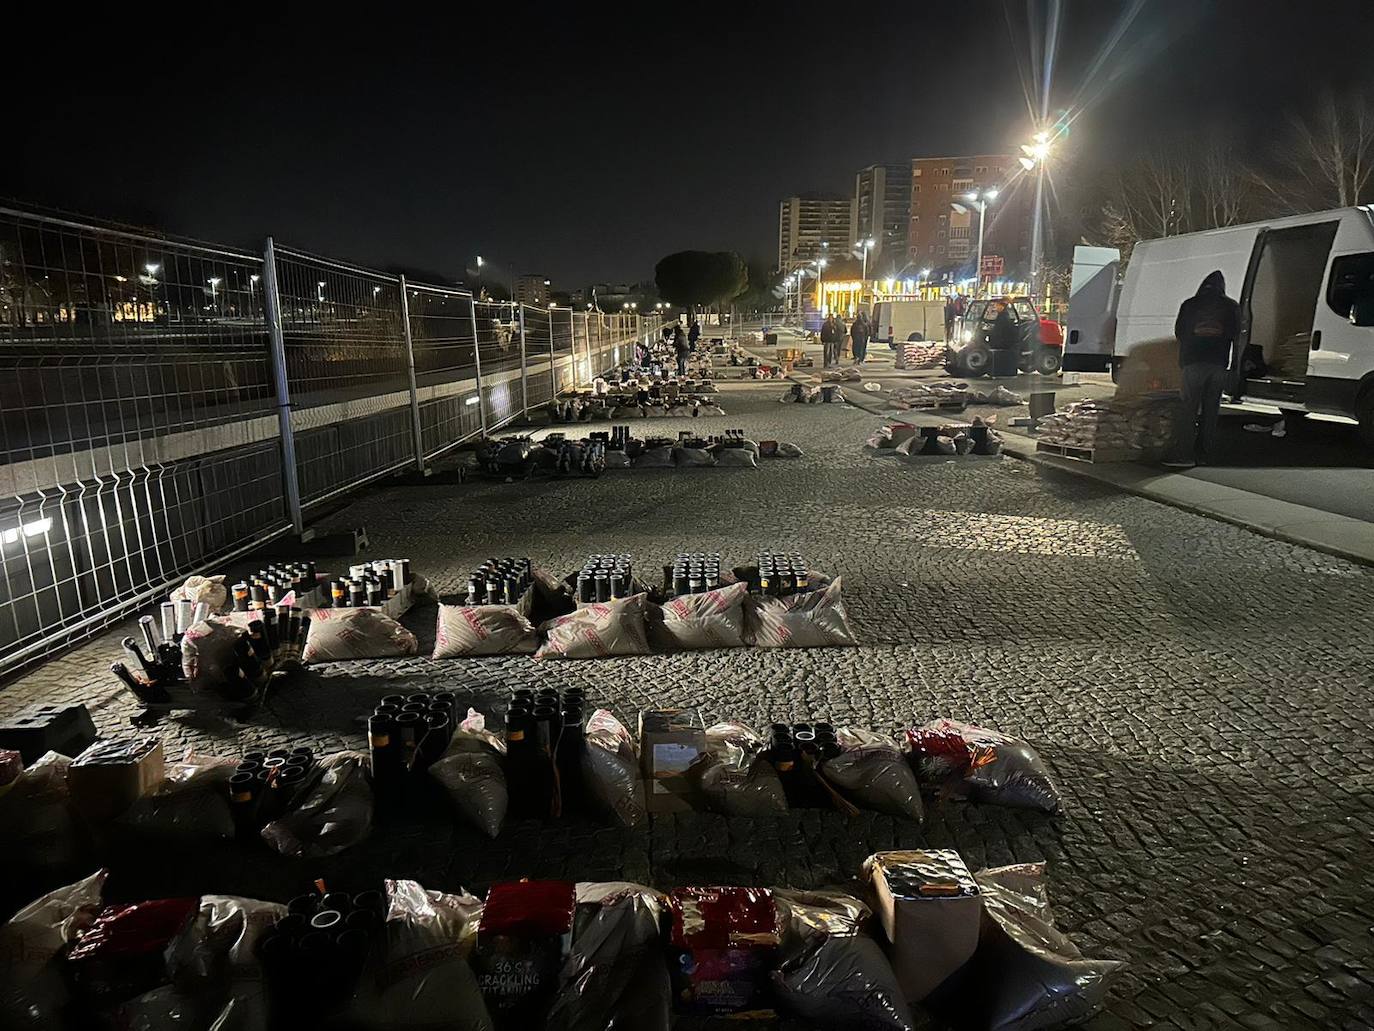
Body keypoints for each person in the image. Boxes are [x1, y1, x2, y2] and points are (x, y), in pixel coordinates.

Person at [1164, 270, 1239, 468]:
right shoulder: (1231, 306)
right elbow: (1237, 334)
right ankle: (1205, 454)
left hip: (1193, 362)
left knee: (1188, 409)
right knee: (1211, 410)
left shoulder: (1189, 305)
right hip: (1218, 363)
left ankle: (1183, 455)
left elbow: (1179, 332)